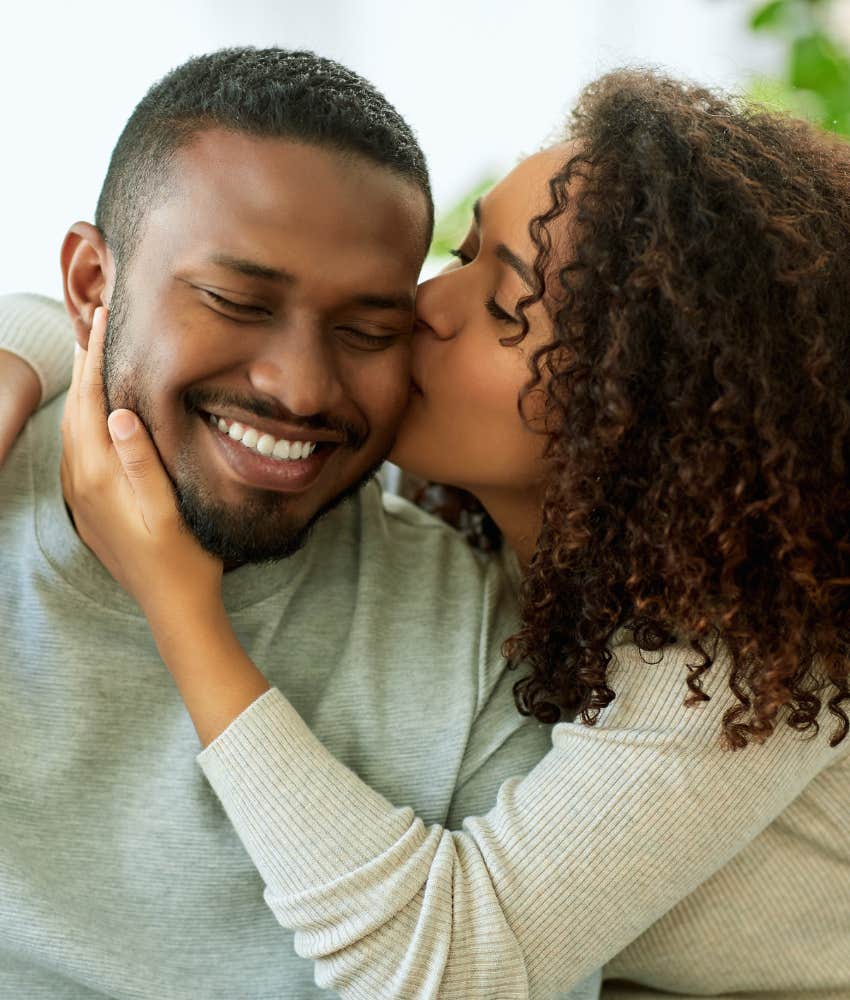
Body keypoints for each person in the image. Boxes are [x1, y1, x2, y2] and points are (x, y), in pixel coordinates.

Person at [4, 68, 849, 1000]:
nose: (425, 310)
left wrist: (180, 605)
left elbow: (449, 964)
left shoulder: (743, 667)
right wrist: (28, 352)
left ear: (643, 412)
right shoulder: (501, 518)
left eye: (502, 310)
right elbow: (140, 315)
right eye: (464, 252)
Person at [0, 47, 569, 1000]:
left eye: (368, 329)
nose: (300, 389)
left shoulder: (482, 640)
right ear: (93, 284)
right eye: (236, 302)